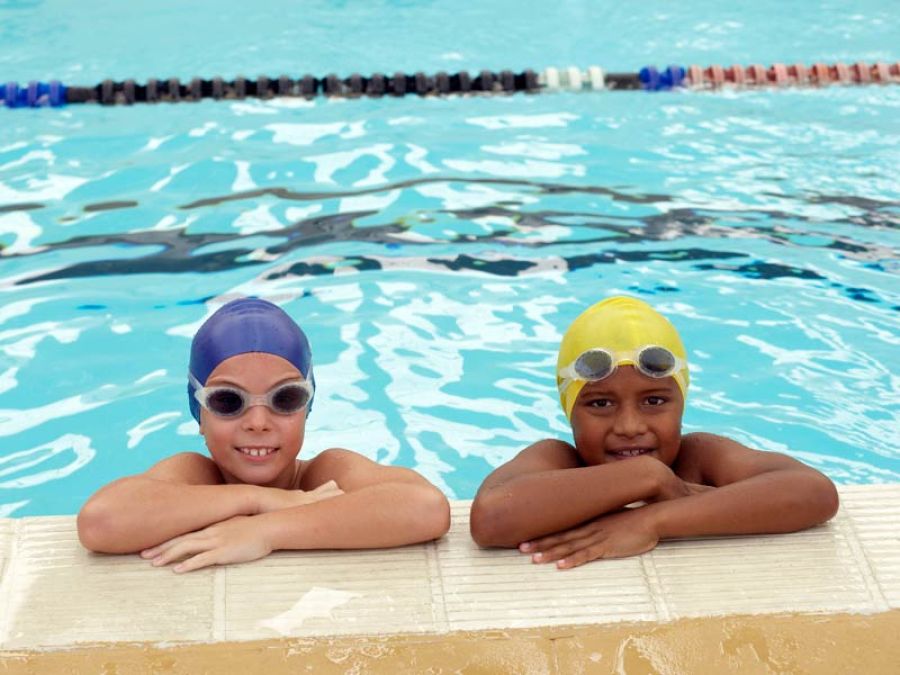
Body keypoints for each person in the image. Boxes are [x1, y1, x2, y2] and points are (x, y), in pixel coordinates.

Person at [78, 297, 450, 572]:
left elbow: (425, 507)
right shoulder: (194, 476)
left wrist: (266, 531)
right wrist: (257, 500)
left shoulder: (324, 474)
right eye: (228, 401)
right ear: (198, 411)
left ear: (308, 405)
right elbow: (101, 522)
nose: (258, 422)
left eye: (285, 398)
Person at [469, 296, 838, 569]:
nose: (630, 427)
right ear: (569, 411)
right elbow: (490, 519)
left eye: (654, 401)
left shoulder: (700, 457)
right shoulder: (557, 461)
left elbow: (813, 493)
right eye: (600, 404)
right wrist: (646, 476)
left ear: (682, 401)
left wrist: (651, 521)